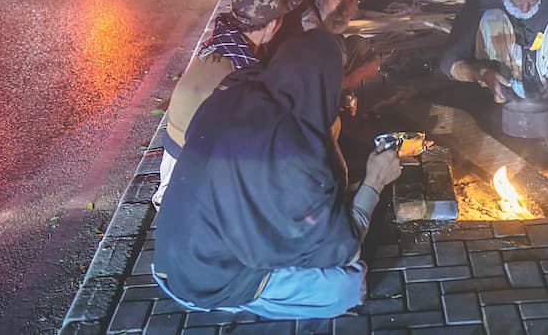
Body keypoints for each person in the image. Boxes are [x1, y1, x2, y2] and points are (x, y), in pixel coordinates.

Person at [152, 29, 402, 319]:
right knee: (348, 284)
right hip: (205, 282)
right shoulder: (293, 153)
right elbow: (343, 250)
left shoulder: (231, 96)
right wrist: (375, 181)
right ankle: (240, 300)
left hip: (173, 258)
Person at [152, 0, 293, 209]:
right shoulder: (241, 73)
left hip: (178, 161)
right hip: (196, 184)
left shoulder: (219, 43)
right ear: (272, 25)